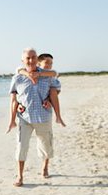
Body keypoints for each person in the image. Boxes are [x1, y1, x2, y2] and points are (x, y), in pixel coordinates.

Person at [7, 48, 61, 187]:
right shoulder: (17, 77)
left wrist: (49, 99)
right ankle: (20, 176)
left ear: (37, 59)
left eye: (33, 57)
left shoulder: (47, 75)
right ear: (23, 61)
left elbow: (56, 90)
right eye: (27, 58)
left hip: (43, 117)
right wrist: (11, 119)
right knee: (21, 146)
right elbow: (13, 98)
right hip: (24, 118)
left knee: (46, 145)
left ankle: (45, 167)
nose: (30, 60)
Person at [15, 53, 66, 127]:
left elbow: (57, 87)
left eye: (51, 63)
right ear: (38, 63)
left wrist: (49, 100)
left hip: (46, 102)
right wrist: (27, 74)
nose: (49, 65)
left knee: (53, 89)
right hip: (27, 106)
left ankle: (58, 116)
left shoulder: (50, 75)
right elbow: (18, 69)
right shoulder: (29, 72)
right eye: (46, 63)